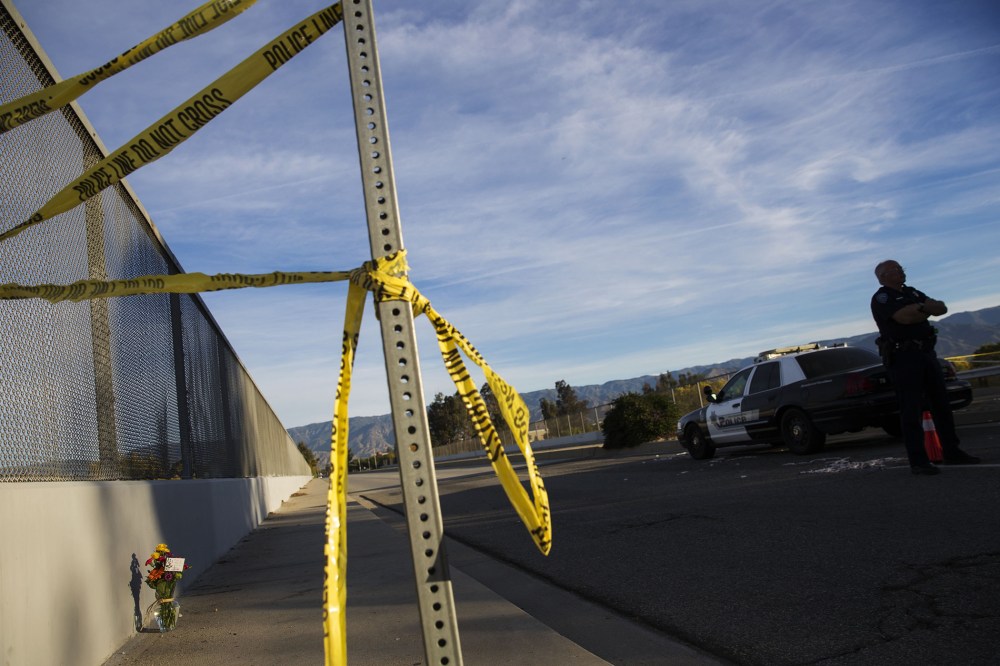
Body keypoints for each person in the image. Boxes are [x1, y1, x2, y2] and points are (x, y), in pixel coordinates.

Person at [871, 260, 980, 475]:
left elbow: (941, 307)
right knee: (911, 409)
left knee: (941, 404)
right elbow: (903, 318)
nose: (901, 272)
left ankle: (952, 451)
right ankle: (919, 460)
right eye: (895, 270)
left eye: (901, 268)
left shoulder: (911, 292)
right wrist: (923, 308)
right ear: (883, 276)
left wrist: (919, 308)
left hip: (927, 354)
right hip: (904, 358)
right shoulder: (882, 298)